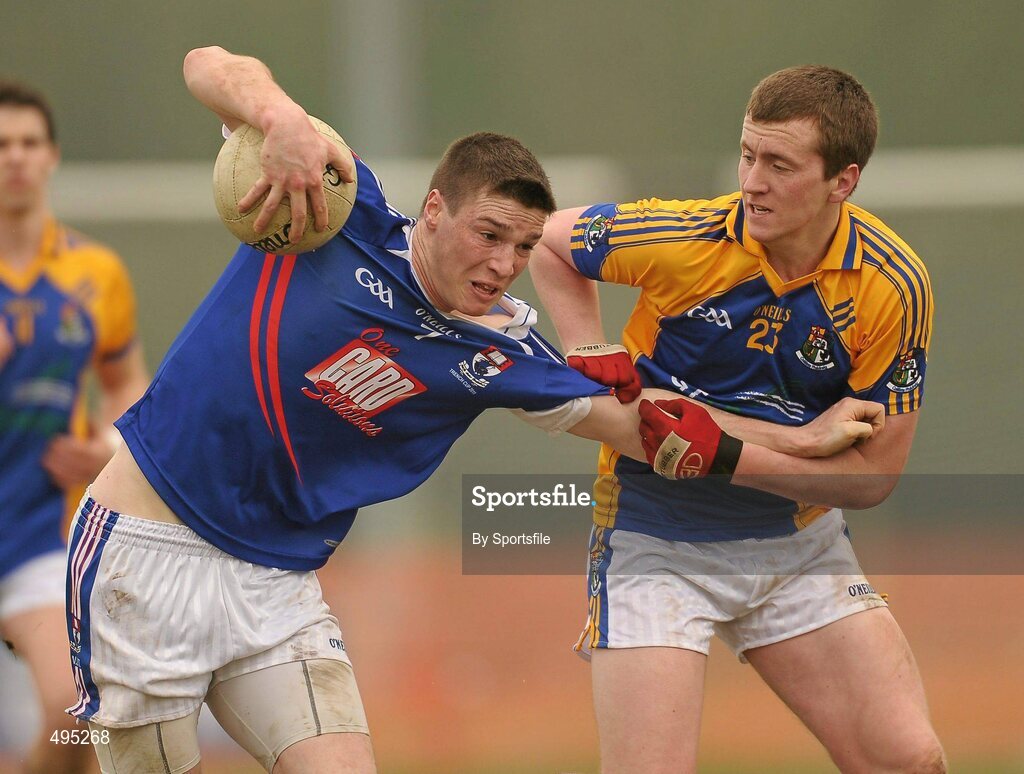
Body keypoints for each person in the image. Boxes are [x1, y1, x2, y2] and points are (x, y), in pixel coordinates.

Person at [70, 48, 883, 774]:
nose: (504, 265)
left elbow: (652, 423)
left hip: (277, 580)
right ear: (432, 211)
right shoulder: (338, 214)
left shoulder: (501, 358)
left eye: (524, 248)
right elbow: (208, 63)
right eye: (489, 234)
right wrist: (281, 118)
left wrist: (801, 436)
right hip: (145, 554)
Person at [531, 65, 944, 773]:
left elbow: (875, 478)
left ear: (842, 182)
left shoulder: (892, 285)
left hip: (799, 550)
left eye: (779, 164)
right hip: (654, 543)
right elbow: (549, 240)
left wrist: (726, 453)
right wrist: (588, 347)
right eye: (749, 154)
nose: (751, 181)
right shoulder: (689, 235)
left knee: (909, 762)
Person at [0, 80, 149, 773]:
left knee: (74, 718)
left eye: (29, 143)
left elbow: (125, 383)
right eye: (1, 145)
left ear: (52, 156)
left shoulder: (97, 272)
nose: (16, 158)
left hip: (35, 536)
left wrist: (109, 449)